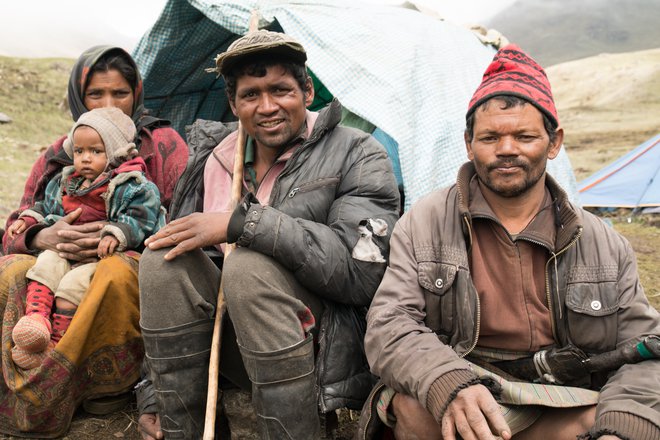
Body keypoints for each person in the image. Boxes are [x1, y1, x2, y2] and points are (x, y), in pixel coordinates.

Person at [357, 44, 660, 440]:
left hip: (562, 396)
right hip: (462, 386)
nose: (506, 149)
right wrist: (448, 382)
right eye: (490, 137)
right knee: (412, 410)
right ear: (469, 143)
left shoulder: (603, 242)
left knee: (614, 422)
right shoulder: (425, 221)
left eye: (524, 135)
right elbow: (389, 325)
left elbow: (645, 352)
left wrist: (619, 429)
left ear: (554, 143)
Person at [137, 30, 400, 439]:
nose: (267, 106)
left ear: (307, 91)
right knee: (161, 261)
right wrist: (153, 393)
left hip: (323, 345)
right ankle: (186, 428)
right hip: (231, 342)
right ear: (233, 103)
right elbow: (171, 279)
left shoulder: (357, 152)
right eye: (250, 95)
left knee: (249, 265)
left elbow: (362, 272)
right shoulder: (213, 160)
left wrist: (242, 224)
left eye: (281, 90)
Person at [0, 46, 188, 437]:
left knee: (113, 275)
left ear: (136, 93)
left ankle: (103, 387)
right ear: (78, 99)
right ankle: (28, 360)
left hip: (134, 257)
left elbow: (181, 221)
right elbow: (21, 219)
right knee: (12, 271)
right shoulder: (63, 152)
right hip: (57, 254)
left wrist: (119, 236)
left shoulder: (164, 145)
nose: (110, 104)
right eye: (96, 95)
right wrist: (40, 234)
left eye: (120, 93)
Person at [8, 107, 164, 370]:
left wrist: (118, 232)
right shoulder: (65, 182)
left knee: (71, 286)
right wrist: (29, 219)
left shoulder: (132, 184)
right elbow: (46, 207)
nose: (85, 159)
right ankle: (36, 322)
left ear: (114, 152)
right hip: (64, 250)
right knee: (45, 264)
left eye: (95, 151)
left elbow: (143, 218)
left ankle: (57, 344)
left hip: (99, 258)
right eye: (79, 152)